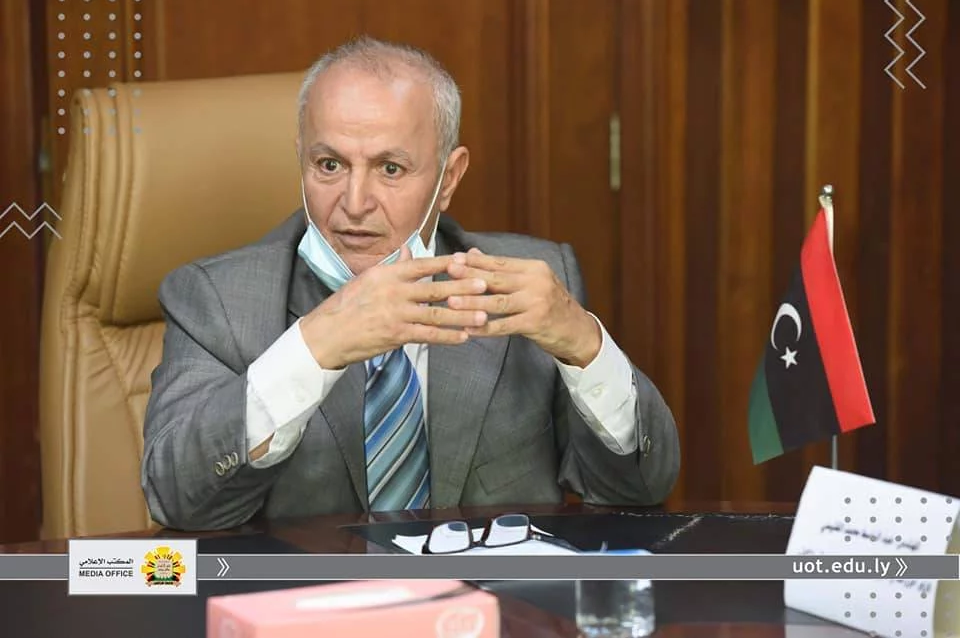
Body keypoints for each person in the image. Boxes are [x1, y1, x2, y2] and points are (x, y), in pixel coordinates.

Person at [141, 36, 680, 531]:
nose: (354, 203)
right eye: (329, 165)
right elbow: (177, 500)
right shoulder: (216, 299)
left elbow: (638, 488)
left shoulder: (530, 283)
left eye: (390, 169)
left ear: (448, 178)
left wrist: (585, 345)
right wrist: (315, 347)